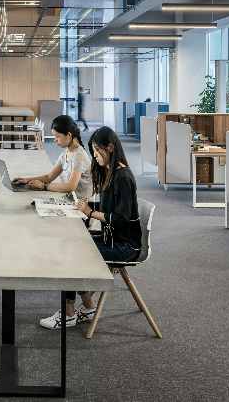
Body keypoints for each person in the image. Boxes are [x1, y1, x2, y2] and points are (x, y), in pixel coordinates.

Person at [39, 126, 142, 330]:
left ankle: (69, 313)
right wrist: (85, 206)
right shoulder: (112, 173)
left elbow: (120, 219)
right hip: (111, 238)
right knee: (69, 244)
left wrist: (90, 212)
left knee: (70, 254)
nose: (95, 158)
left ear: (110, 148)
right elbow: (109, 208)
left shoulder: (123, 177)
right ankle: (88, 306)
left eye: (97, 152)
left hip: (124, 246)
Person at [14, 115, 92, 199]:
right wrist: (26, 180)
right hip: (69, 198)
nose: (55, 140)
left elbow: (70, 186)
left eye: (57, 136)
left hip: (80, 204)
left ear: (69, 135)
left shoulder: (79, 156)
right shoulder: (66, 153)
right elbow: (49, 177)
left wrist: (44, 186)